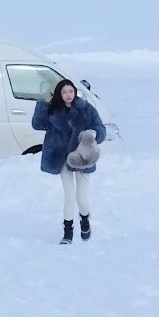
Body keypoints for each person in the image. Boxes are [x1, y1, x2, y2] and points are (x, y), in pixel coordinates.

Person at [34, 78, 106, 242]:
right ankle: (68, 232)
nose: (68, 95)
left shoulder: (86, 109)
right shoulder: (53, 111)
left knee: (81, 198)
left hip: (82, 158)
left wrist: (93, 134)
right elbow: (37, 124)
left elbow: (101, 129)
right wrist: (43, 104)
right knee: (69, 196)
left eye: (71, 91)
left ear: (75, 92)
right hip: (62, 159)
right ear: (59, 94)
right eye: (64, 92)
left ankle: (85, 219)